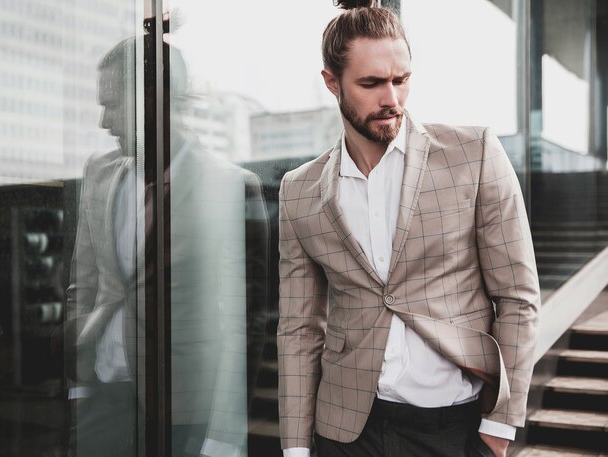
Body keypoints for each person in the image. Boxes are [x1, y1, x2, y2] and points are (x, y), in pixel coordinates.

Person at [277, 2, 540, 457]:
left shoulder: (473, 154)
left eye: (401, 80)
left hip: (453, 424)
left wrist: (499, 428)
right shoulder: (298, 190)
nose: (392, 99)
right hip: (345, 429)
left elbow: (518, 297)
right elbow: (300, 328)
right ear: (331, 83)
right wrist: (297, 448)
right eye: (372, 83)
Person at [65, 28, 269, 457]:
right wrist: (79, 387)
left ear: (152, 99)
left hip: (184, 410)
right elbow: (82, 287)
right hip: (102, 401)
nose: (104, 123)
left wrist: (223, 436)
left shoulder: (229, 186)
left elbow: (243, 326)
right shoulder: (99, 174)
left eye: (113, 106)